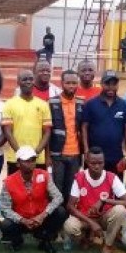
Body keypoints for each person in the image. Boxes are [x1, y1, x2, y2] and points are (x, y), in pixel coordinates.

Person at [64, 147, 126, 253]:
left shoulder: (112, 177)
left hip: (104, 217)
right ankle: (85, 238)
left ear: (104, 163)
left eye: (100, 163)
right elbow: (70, 206)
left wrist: (104, 200)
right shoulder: (80, 177)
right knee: (69, 225)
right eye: (93, 163)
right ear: (87, 162)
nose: (97, 166)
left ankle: (108, 243)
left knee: (120, 210)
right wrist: (91, 223)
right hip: (86, 218)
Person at [0, 146, 66, 253]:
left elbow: (58, 197)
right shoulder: (8, 182)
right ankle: (17, 240)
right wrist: (22, 220)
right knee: (6, 224)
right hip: (21, 222)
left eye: (33, 160)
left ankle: (45, 240)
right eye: (26, 161)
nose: (30, 163)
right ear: (18, 163)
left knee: (61, 212)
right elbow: (4, 208)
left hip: (41, 219)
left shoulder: (44, 175)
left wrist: (43, 215)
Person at [82, 70, 126, 176]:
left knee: (115, 189)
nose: (111, 87)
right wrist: (86, 151)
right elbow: (84, 128)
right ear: (101, 84)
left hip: (116, 157)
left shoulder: (125, 105)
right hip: (94, 158)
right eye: (107, 83)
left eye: (114, 84)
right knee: (93, 188)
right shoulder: (90, 104)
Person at [2, 69, 51, 175]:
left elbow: (47, 132)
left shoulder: (43, 104)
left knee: (38, 190)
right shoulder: (9, 104)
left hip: (37, 158)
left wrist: (36, 152)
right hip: (16, 158)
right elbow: (7, 132)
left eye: (30, 79)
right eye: (24, 79)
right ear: (18, 82)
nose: (28, 82)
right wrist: (21, 153)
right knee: (15, 189)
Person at [48, 70, 84, 204]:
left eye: (74, 83)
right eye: (68, 82)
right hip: (57, 154)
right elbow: (47, 131)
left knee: (71, 189)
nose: (71, 86)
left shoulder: (81, 103)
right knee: (57, 189)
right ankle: (58, 218)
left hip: (75, 154)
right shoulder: (52, 103)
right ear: (62, 83)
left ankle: (68, 219)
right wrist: (48, 156)